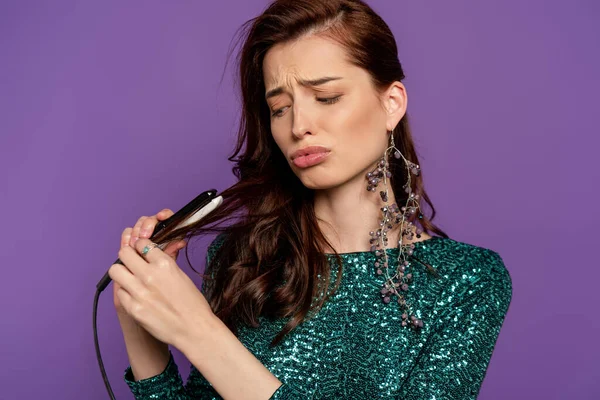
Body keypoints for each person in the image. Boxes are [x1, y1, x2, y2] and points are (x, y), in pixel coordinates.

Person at [108, 0, 513, 399]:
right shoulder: (241, 259)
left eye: (327, 97)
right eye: (280, 108)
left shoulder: (468, 282)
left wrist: (198, 332)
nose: (299, 126)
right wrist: (139, 329)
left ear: (391, 103)